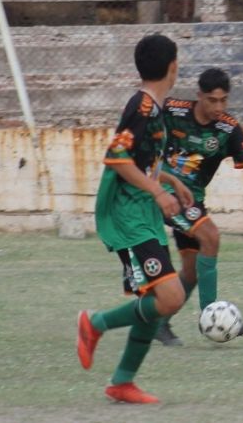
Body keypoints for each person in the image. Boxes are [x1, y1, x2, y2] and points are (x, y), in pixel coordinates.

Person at [76, 34, 193, 404]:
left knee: (156, 297)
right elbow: (117, 158)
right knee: (171, 297)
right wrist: (158, 192)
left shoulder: (154, 108)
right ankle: (94, 325)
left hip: (142, 213)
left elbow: (143, 162)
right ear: (172, 66)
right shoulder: (142, 107)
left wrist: (170, 181)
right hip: (130, 215)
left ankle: (122, 382)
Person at [154, 68, 243, 346]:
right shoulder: (173, 110)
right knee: (211, 236)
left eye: (223, 100)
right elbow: (142, 119)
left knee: (193, 270)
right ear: (199, 97)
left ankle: (159, 325)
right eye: (212, 100)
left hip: (192, 199)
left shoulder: (227, 128)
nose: (218, 107)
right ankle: (213, 316)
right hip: (162, 191)